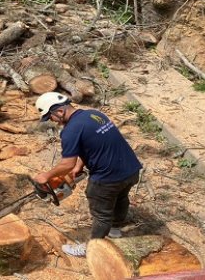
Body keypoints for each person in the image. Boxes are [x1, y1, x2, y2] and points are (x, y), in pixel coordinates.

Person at [33, 92, 142, 257]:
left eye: (51, 117)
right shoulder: (94, 114)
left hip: (107, 178)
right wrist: (79, 166)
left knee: (101, 214)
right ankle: (115, 230)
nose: (52, 121)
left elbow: (66, 164)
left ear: (60, 112)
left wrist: (46, 176)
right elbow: (93, 143)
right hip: (130, 169)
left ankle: (92, 248)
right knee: (121, 198)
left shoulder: (70, 131)